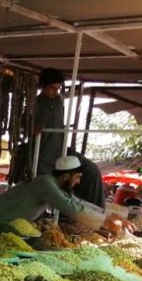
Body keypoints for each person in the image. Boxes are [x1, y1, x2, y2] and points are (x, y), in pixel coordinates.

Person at [0, 155, 133, 233]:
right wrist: (105, 220)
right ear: (65, 176)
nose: (78, 182)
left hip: (6, 224)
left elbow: (77, 202)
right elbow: (70, 207)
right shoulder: (46, 184)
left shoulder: (55, 184)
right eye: (77, 178)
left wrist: (110, 214)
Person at [33, 68, 105, 208]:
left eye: (58, 88)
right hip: (43, 152)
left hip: (61, 148)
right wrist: (32, 127)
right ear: (42, 86)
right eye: (52, 88)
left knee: (92, 170)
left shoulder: (60, 101)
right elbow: (22, 124)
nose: (55, 92)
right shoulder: (35, 103)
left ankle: (96, 210)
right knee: (47, 185)